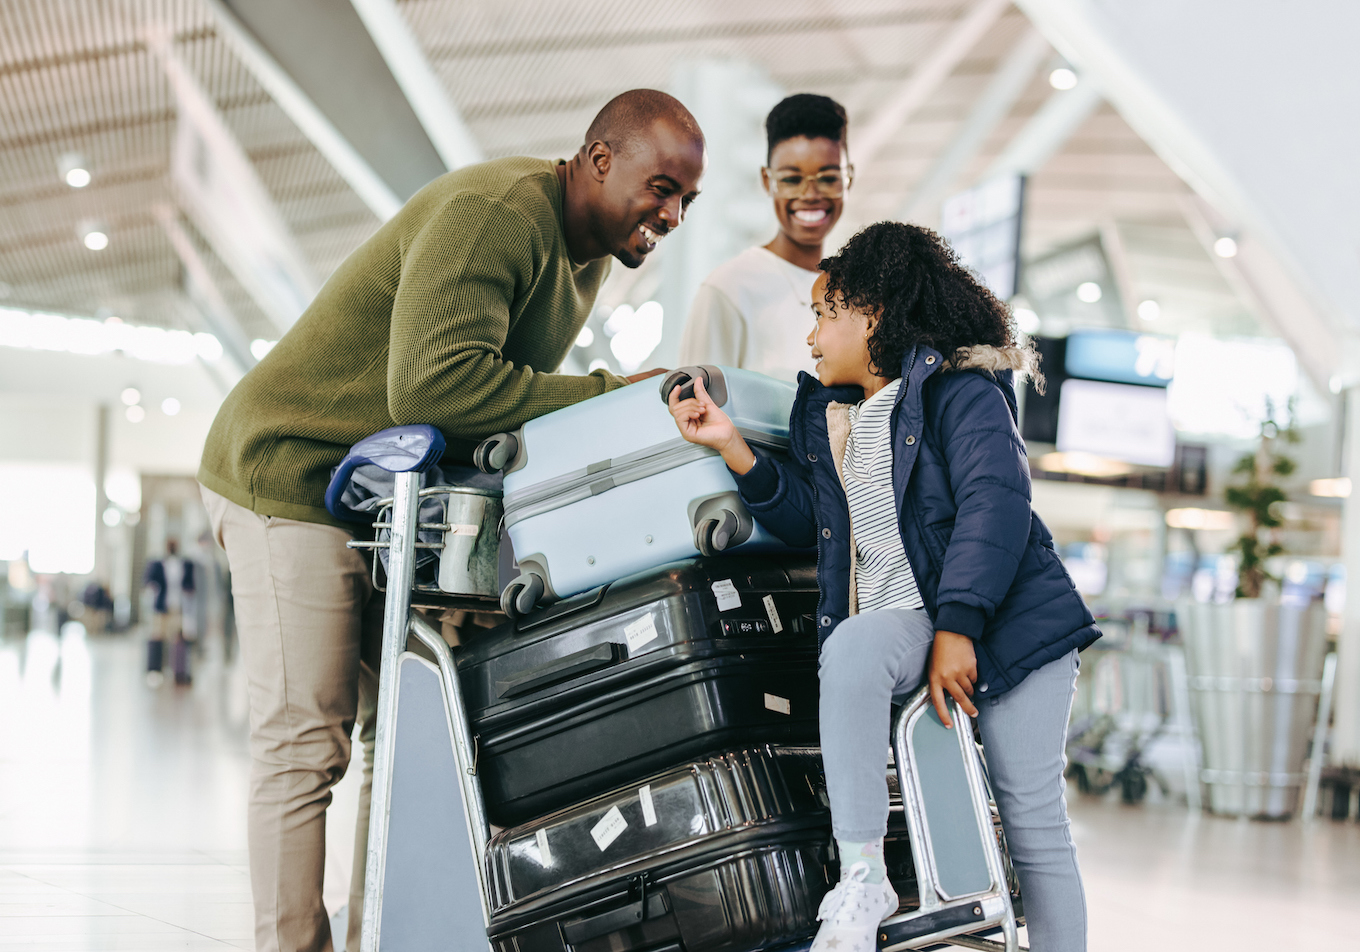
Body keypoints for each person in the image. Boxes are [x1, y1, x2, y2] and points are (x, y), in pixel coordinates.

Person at [198, 90, 705, 952]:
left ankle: (380, 937)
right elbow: (435, 389)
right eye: (660, 187)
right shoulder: (498, 214)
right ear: (598, 159)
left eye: (686, 200)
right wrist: (613, 394)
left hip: (376, 499)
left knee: (398, 738)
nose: (672, 213)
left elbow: (487, 409)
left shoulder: (582, 257)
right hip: (289, 473)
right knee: (306, 741)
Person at [668, 221, 1098, 952]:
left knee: (1032, 822)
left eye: (823, 315)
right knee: (857, 646)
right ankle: (862, 874)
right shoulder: (833, 418)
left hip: (1014, 627)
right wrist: (731, 446)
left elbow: (997, 503)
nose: (810, 338)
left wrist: (959, 627)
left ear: (870, 314)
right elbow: (812, 521)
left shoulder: (963, 393)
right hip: (912, 620)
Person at [677, 93, 851, 381]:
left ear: (849, 179)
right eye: (792, 179)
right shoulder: (729, 290)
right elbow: (692, 413)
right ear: (767, 181)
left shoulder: (856, 292)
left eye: (828, 178)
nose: (810, 195)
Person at [144, 539, 196, 686]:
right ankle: (154, 671)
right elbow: (149, 581)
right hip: (161, 607)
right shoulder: (157, 564)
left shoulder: (185, 564)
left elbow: (190, 585)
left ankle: (178, 672)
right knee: (157, 636)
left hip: (178, 607)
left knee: (178, 639)